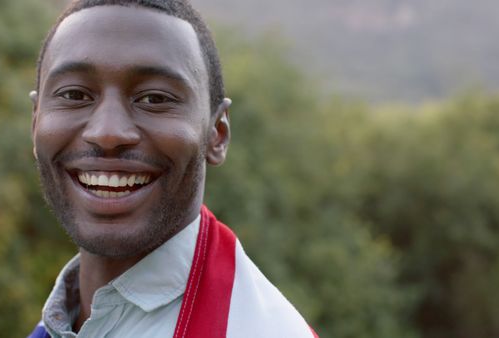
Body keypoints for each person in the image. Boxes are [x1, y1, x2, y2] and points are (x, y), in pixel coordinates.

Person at [27, 0, 318, 337]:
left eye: (154, 99)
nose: (107, 133)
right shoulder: (67, 315)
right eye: (75, 94)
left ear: (217, 134)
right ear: (35, 123)